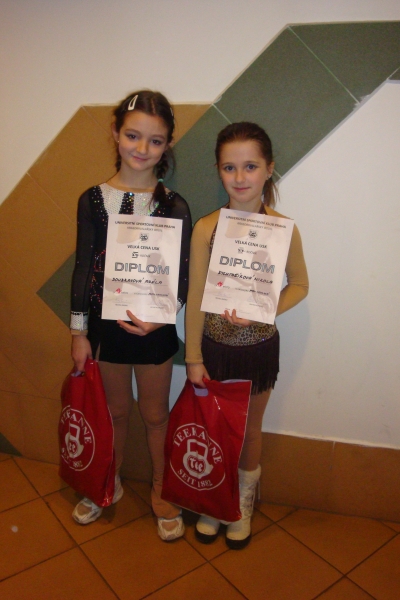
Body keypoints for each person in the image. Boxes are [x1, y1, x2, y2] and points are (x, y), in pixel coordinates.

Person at [70, 90, 192, 541]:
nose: (142, 148)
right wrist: (78, 332)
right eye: (133, 136)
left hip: (154, 329)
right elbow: (84, 267)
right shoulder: (92, 200)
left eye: (155, 141)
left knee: (156, 414)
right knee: (115, 412)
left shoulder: (174, 204)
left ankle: (163, 487)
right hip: (105, 329)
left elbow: (182, 273)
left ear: (167, 144)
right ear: (116, 133)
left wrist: (166, 315)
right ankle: (108, 481)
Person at [185, 122, 308, 549]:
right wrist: (193, 356)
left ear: (269, 169)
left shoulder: (283, 229)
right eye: (229, 167)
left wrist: (263, 310)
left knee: (250, 430)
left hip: (257, 350)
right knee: (216, 428)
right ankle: (215, 498)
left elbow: (300, 284)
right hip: (214, 350)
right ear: (218, 171)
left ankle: (241, 502)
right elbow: (196, 295)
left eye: (250, 166)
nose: (240, 177)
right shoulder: (207, 228)